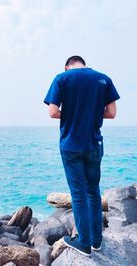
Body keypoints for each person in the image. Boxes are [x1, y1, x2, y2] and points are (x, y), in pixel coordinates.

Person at [44, 55, 120, 256]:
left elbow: (53, 112)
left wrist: (73, 114)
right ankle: (96, 241)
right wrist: (91, 113)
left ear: (67, 66)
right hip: (94, 145)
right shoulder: (103, 78)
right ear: (83, 64)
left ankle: (84, 243)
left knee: (78, 194)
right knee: (93, 192)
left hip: (71, 146)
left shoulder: (62, 78)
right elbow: (112, 113)